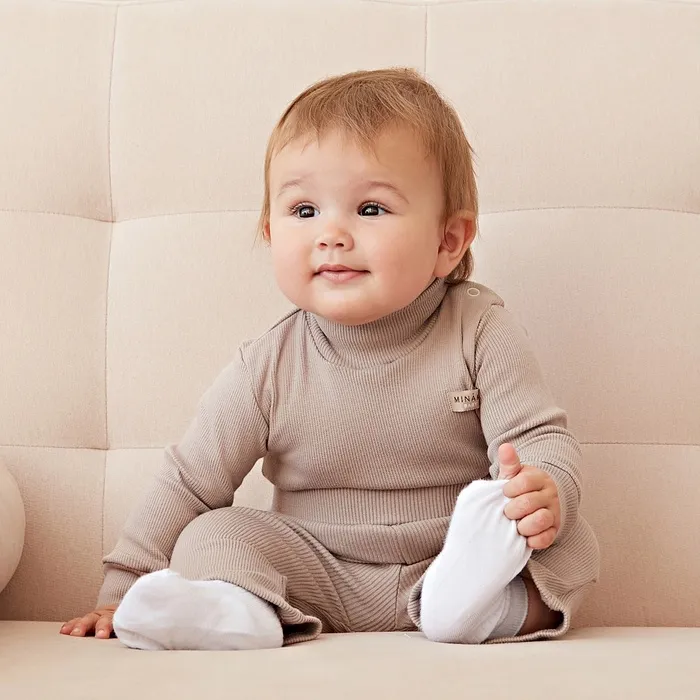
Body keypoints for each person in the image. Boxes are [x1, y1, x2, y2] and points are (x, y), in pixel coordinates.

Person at [60, 68, 599, 650]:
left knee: (561, 543)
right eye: (304, 211)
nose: (332, 234)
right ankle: (242, 611)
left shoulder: (479, 328)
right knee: (211, 532)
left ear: (448, 240)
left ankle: (470, 606)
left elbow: (537, 436)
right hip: (317, 570)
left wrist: (542, 490)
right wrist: (122, 587)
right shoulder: (268, 366)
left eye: (370, 209)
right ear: (271, 231)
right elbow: (189, 480)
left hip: (451, 555)